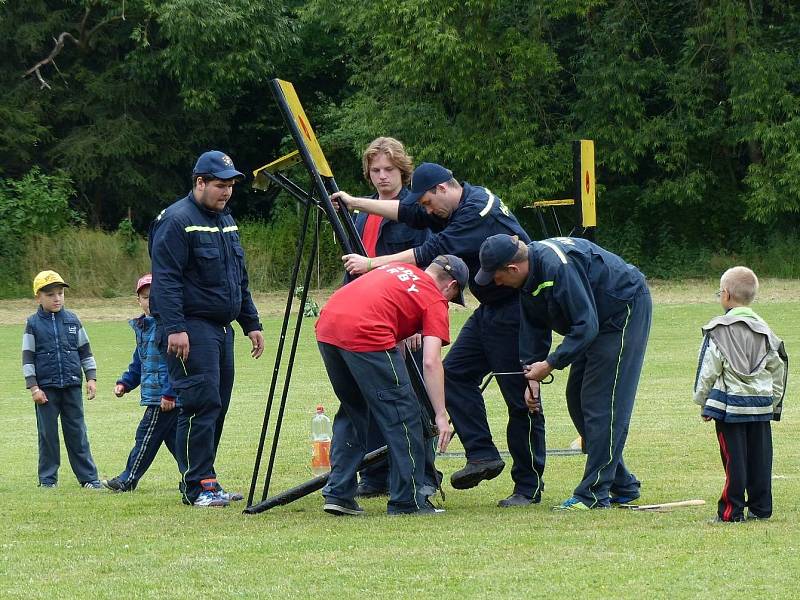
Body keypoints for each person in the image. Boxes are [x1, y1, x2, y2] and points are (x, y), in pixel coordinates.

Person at [332, 163, 545, 508]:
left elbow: (428, 252)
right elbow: (410, 213)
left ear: (445, 189)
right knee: (456, 373)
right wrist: (356, 202)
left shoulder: (476, 213)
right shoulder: (457, 203)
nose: (428, 210)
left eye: (430, 202)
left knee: (519, 395)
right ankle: (482, 454)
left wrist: (371, 263)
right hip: (491, 307)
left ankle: (527, 486)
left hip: (517, 308)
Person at [476, 234, 652, 510]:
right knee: (578, 401)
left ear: (512, 268)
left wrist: (550, 363)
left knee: (601, 404)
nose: (494, 283)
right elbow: (534, 326)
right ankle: (622, 484)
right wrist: (532, 376)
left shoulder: (558, 268)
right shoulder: (528, 277)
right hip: (594, 319)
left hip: (621, 310)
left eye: (496, 276)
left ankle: (592, 494)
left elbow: (586, 325)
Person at [148, 150, 265, 508]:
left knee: (218, 404)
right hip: (190, 328)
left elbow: (237, 278)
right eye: (219, 185)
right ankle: (196, 485)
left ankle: (206, 479)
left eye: (230, 185)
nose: (226, 191)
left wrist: (251, 322)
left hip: (221, 328)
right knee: (200, 403)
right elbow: (165, 281)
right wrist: (175, 328)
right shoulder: (176, 220)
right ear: (199, 183)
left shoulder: (225, 220)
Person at [315, 255, 467, 515]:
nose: (449, 304)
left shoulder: (400, 270)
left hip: (328, 327)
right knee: (404, 417)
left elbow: (381, 305)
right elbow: (431, 362)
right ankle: (407, 501)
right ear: (451, 286)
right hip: (366, 334)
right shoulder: (435, 299)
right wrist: (441, 415)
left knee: (354, 411)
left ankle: (338, 493)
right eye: (453, 299)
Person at [352, 137, 433, 498]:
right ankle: (374, 475)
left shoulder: (418, 209)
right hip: (368, 319)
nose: (382, 177)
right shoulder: (361, 213)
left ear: (403, 170)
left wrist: (415, 322)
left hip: (404, 318)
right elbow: (354, 264)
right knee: (371, 396)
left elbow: (428, 265)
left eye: (389, 170)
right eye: (375, 171)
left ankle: (423, 475)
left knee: (415, 397)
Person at [693, 266, 787, 522]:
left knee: (734, 460)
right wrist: (774, 402)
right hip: (760, 408)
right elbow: (779, 368)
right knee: (760, 459)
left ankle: (731, 511)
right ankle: (761, 508)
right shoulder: (766, 332)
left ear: (725, 295)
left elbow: (708, 371)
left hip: (730, 409)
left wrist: (703, 402)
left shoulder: (718, 331)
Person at [22, 270, 103, 489]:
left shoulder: (72, 320)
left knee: (77, 433)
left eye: (60, 293)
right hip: (46, 390)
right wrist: (34, 387)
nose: (57, 298)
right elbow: (27, 357)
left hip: (72, 386)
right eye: (50, 295)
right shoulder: (32, 324)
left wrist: (91, 378)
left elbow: (85, 351)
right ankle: (48, 480)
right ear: (38, 297)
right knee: (47, 435)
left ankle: (89, 478)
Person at [102, 274, 179, 492]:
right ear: (138, 300)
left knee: (145, 436)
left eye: (155, 297)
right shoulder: (143, 328)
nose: (150, 301)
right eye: (145, 297)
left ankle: (128, 478)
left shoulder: (170, 328)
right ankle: (199, 480)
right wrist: (125, 383)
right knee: (179, 445)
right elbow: (139, 362)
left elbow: (176, 364)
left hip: (163, 398)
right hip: (158, 396)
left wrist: (169, 393)